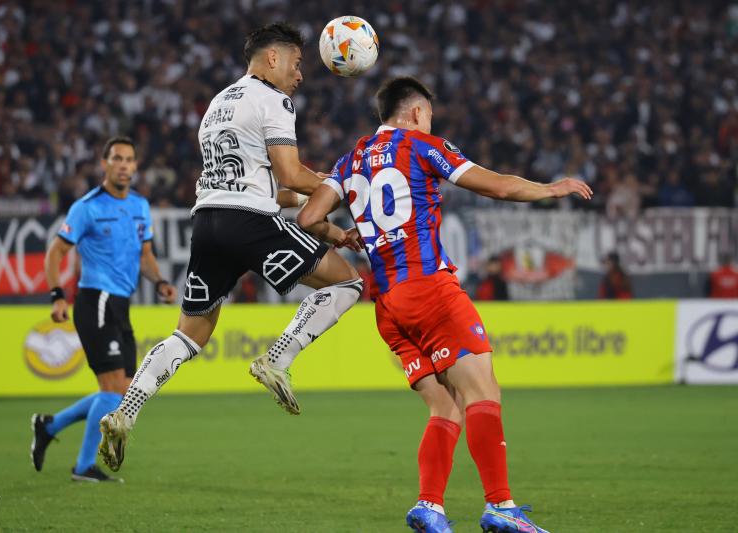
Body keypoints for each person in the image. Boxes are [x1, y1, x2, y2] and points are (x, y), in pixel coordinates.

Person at [298, 77, 592, 533]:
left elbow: (308, 217)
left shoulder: (350, 158)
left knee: (447, 408)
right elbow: (497, 187)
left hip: (388, 303)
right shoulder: (420, 145)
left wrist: (342, 236)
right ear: (416, 113)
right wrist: (552, 190)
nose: (430, 121)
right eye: (429, 114)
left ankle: (430, 506)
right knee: (483, 393)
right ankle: (501, 506)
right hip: (429, 287)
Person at [98, 23, 363, 472]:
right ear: (273, 59)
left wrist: (332, 228)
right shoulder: (274, 100)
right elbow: (291, 176)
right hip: (249, 223)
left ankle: (126, 412)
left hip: (207, 223)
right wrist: (349, 189)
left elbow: (272, 189)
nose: (300, 76)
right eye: (297, 64)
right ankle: (277, 359)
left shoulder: (219, 104)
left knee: (188, 334)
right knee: (348, 282)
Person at [30, 136, 177, 482]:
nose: (124, 165)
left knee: (122, 389)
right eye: (117, 158)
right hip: (95, 300)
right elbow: (56, 252)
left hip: (121, 305)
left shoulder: (140, 206)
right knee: (112, 389)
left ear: (136, 166)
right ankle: (83, 467)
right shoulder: (87, 207)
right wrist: (56, 295)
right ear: (105, 163)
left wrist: (159, 282)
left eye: (129, 159)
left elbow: (145, 255)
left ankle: (50, 425)